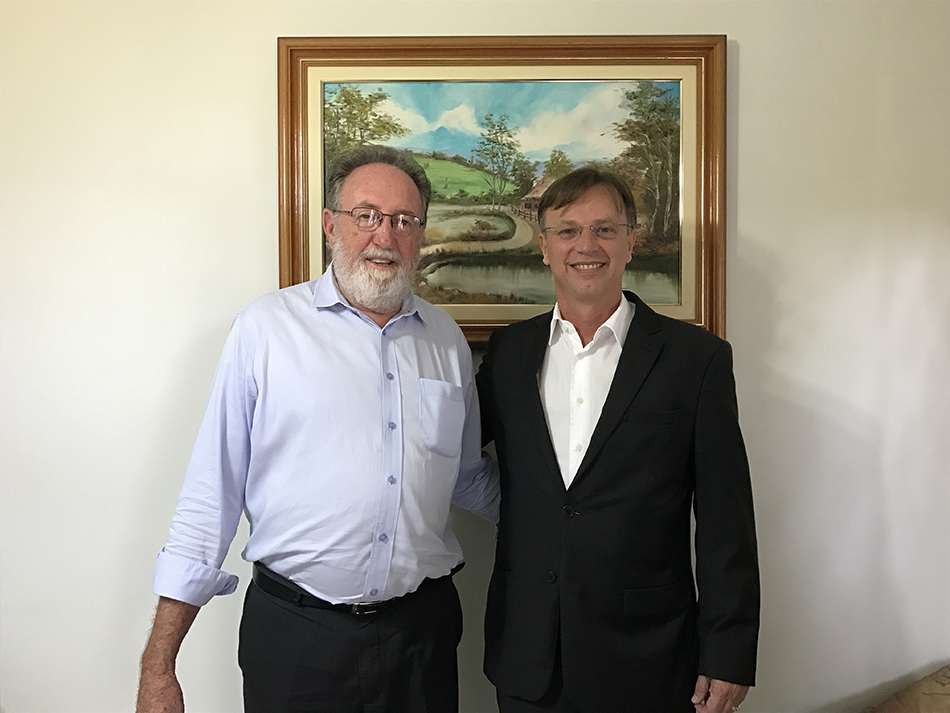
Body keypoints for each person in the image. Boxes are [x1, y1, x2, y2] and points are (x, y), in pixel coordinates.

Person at [136, 146, 499, 713]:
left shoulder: (446, 339)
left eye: (404, 220)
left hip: (421, 638)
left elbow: (466, 476)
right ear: (331, 225)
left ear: (421, 235)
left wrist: (575, 516)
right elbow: (212, 494)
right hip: (296, 639)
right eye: (366, 215)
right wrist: (160, 665)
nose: (385, 235)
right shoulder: (266, 329)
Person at [476, 168, 759, 713]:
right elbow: (449, 452)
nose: (586, 245)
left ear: (631, 242)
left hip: (649, 658)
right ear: (544, 247)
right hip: (528, 655)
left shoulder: (695, 359)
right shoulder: (508, 353)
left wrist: (728, 652)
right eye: (568, 230)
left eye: (605, 229)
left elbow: (726, 520)